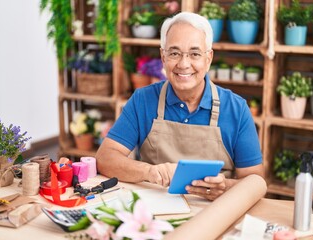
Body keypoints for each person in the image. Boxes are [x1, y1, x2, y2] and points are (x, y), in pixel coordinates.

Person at [96, 12, 264, 201]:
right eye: (174, 53)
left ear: (208, 59)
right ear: (163, 57)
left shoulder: (236, 109)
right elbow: (105, 158)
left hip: (214, 211)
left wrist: (224, 187)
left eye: (194, 54)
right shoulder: (142, 100)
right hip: (155, 208)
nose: (184, 64)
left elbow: (256, 180)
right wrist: (150, 172)